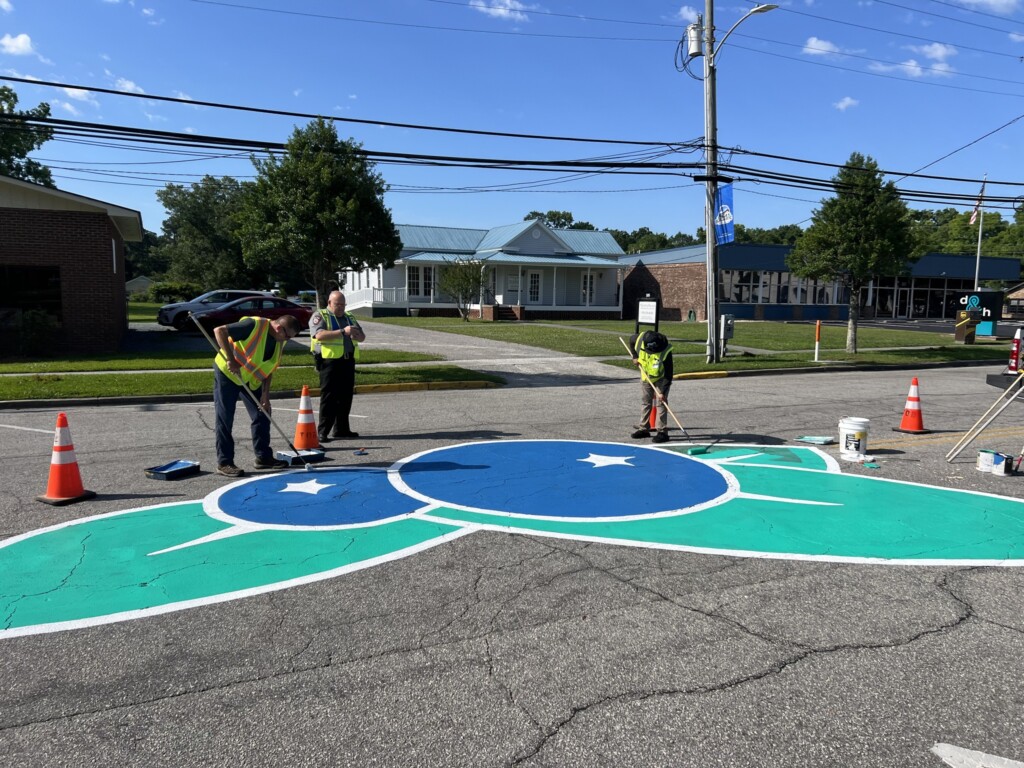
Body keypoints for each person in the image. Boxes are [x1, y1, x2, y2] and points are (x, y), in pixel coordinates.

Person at [212, 314, 301, 477]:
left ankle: (263, 457)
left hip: (250, 379)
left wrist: (265, 396)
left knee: (263, 412)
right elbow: (219, 331)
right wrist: (230, 359)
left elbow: (270, 368)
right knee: (225, 417)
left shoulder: (280, 341)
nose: (286, 340)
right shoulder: (254, 325)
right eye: (287, 336)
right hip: (229, 374)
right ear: (279, 328)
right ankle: (224, 463)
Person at [310, 290, 366, 442]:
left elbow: (362, 337)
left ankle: (341, 429)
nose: (341, 307)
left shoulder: (349, 317)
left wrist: (357, 335)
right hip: (329, 362)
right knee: (329, 397)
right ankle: (323, 432)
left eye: (343, 304)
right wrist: (343, 332)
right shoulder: (320, 315)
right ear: (329, 303)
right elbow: (319, 335)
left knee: (345, 397)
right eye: (337, 304)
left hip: (347, 360)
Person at [628, 329, 674, 444]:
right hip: (646, 376)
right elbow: (631, 341)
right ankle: (644, 429)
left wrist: (662, 392)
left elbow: (669, 374)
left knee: (661, 403)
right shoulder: (639, 339)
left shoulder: (665, 350)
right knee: (646, 402)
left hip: (661, 378)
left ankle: (662, 432)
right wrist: (634, 356)